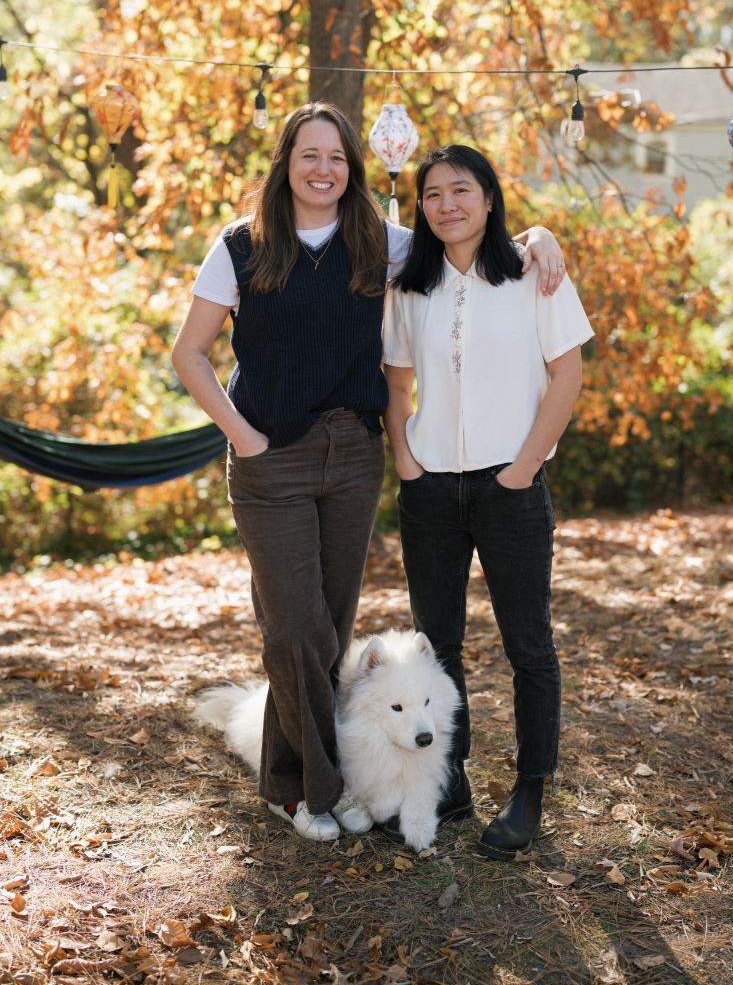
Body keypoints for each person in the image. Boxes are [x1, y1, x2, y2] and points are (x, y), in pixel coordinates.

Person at [172, 103, 566, 843]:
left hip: (352, 458)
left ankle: (317, 780)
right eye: (309, 155)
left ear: (353, 169)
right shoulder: (240, 246)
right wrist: (243, 435)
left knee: (332, 629)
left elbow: (463, 234)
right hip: (271, 458)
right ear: (286, 163)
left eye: (338, 158)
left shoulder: (378, 242)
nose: (324, 169)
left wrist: (536, 238)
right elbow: (189, 353)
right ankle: (304, 788)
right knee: (295, 632)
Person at [382, 144, 594, 859]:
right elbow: (398, 381)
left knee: (527, 645)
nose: (447, 204)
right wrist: (406, 460)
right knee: (436, 645)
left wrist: (523, 468)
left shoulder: (536, 272)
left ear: (490, 197)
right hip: (431, 489)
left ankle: (530, 788)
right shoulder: (410, 285)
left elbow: (567, 375)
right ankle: (451, 779)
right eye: (433, 194)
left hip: (512, 485)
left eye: (461, 190)